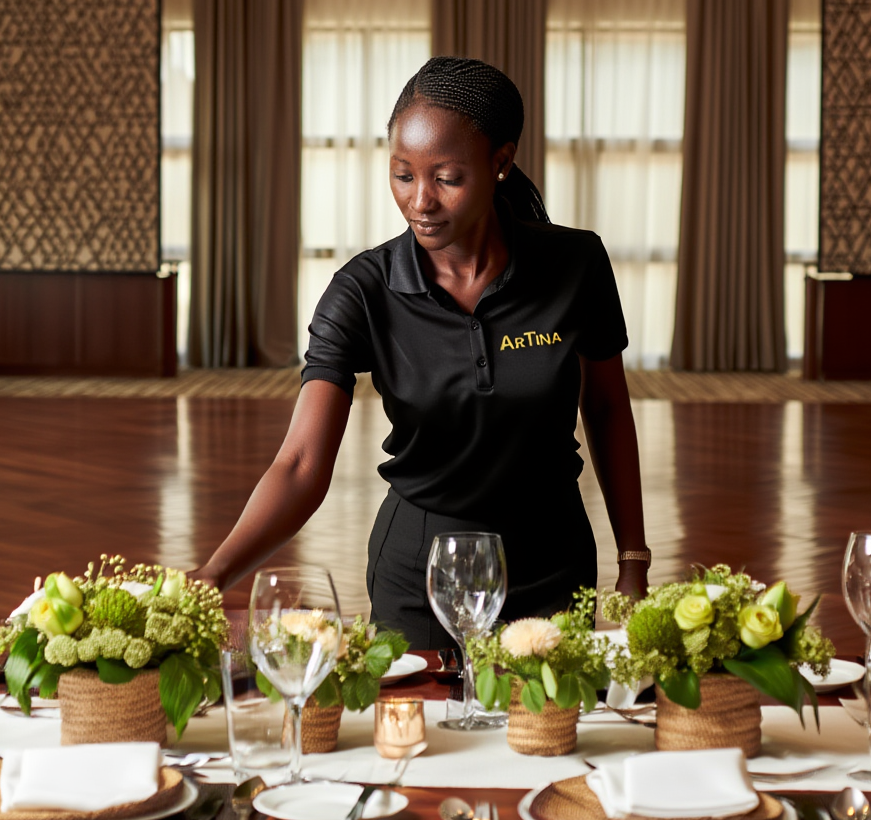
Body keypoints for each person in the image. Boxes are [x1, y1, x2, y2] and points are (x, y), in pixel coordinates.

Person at [193, 56, 650, 647]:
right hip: (420, 573)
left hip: (552, 563)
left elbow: (608, 409)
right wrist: (215, 573)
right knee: (418, 711)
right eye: (403, 175)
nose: (420, 201)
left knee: (545, 710)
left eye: (447, 178)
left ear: (501, 162)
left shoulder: (576, 264)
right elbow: (301, 463)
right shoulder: (362, 291)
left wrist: (633, 558)